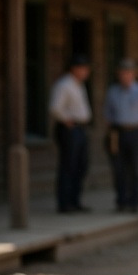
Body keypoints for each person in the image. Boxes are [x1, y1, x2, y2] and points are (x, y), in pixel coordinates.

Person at [104, 58, 138, 213]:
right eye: (123, 73)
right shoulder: (112, 92)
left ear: (133, 75)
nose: (125, 76)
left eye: (128, 73)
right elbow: (108, 115)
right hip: (118, 132)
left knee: (136, 168)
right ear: (119, 75)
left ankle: (135, 201)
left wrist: (137, 126)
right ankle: (121, 201)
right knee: (119, 168)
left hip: (136, 132)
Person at [49, 54, 93, 214]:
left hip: (80, 128)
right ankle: (65, 203)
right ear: (74, 69)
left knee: (81, 165)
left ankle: (75, 200)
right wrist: (67, 121)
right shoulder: (64, 85)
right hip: (70, 128)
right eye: (83, 68)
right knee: (68, 165)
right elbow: (55, 107)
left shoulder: (78, 85)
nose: (85, 72)